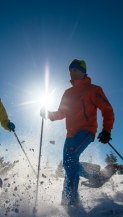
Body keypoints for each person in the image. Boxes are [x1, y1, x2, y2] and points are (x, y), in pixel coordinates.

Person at [40, 59, 115, 206]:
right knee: (69, 165)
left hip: (86, 130)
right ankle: (88, 178)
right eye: (70, 70)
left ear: (83, 71)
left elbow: (107, 109)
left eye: (75, 69)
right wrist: (48, 114)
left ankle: (71, 201)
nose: (72, 73)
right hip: (71, 134)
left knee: (70, 161)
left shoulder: (94, 90)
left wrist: (106, 130)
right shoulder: (67, 93)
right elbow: (62, 113)